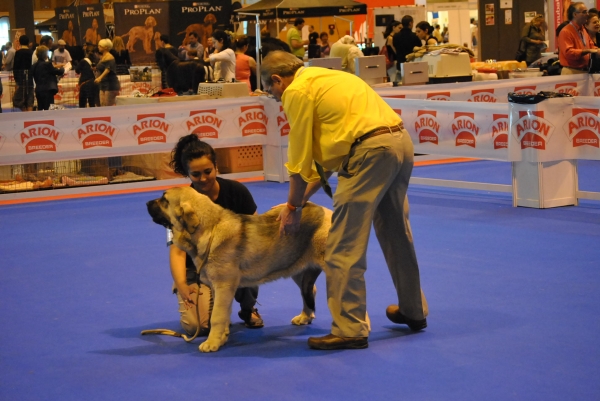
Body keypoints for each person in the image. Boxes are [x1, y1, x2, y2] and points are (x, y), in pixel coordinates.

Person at [261, 50, 427, 350]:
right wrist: (300, 200)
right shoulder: (328, 77)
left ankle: (350, 328)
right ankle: (414, 310)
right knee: (395, 233)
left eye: (271, 91)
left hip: (369, 152)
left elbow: (298, 160)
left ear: (277, 80)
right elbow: (323, 157)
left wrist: (293, 208)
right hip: (399, 144)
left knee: (341, 246)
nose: (274, 97)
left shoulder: (296, 91)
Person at [167, 134, 263, 335]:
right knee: (198, 327)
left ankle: (247, 309)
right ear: (187, 174)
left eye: (207, 171)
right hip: (197, 269)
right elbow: (177, 252)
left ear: (216, 167)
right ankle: (208, 302)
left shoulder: (237, 191)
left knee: (251, 261)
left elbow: (257, 230)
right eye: (195, 174)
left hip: (233, 263)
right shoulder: (179, 205)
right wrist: (182, 284)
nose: (202, 179)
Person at [558, 2, 599, 74]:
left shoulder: (583, 30)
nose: (587, 14)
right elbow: (569, 53)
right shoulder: (566, 31)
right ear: (575, 14)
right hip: (572, 72)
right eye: (584, 12)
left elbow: (591, 45)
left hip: (584, 71)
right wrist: (588, 51)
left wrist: (597, 50)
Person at [31, 46, 64, 111]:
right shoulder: (47, 64)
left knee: (40, 108)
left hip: (38, 90)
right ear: (45, 54)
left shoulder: (34, 66)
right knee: (48, 109)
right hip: (47, 90)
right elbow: (57, 71)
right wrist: (63, 69)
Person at [94, 39, 120, 106]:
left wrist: (100, 78)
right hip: (103, 84)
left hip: (110, 85)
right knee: (103, 105)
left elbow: (108, 69)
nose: (98, 47)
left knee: (108, 106)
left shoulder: (109, 57)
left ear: (105, 47)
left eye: (100, 46)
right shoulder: (103, 57)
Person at [12, 35, 34, 112]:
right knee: (30, 97)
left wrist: (16, 80)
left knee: (18, 99)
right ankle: (30, 114)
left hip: (21, 78)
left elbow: (15, 67)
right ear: (28, 42)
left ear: (20, 42)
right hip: (31, 78)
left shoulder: (18, 53)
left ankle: (24, 112)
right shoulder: (32, 53)